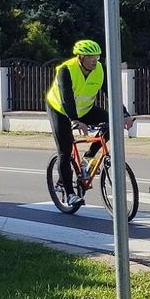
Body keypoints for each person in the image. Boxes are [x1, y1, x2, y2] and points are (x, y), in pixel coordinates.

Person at [45, 39, 133, 208]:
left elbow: (112, 94)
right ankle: (70, 194)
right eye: (90, 57)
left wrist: (124, 114)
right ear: (80, 58)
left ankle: (89, 156)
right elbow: (66, 98)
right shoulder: (66, 70)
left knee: (112, 124)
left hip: (85, 109)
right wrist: (75, 121)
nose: (94, 60)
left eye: (97, 56)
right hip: (61, 110)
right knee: (65, 149)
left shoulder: (100, 69)